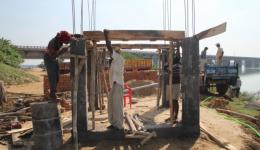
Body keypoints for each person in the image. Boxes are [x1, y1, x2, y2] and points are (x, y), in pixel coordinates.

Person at [104, 29, 124, 130]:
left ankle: (119, 125)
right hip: (114, 85)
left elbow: (109, 48)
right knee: (111, 105)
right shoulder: (113, 61)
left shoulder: (119, 58)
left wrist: (106, 37)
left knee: (117, 105)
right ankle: (113, 123)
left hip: (118, 84)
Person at [44, 31, 71, 99]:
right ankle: (52, 95)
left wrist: (75, 37)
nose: (68, 41)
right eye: (66, 40)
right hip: (49, 58)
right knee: (53, 76)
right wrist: (62, 51)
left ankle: (53, 93)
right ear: (62, 39)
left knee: (57, 76)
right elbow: (53, 56)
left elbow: (69, 37)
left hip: (54, 58)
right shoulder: (53, 43)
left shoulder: (61, 38)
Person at [165, 48, 181, 123]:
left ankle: (175, 116)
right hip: (171, 83)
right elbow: (166, 68)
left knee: (175, 100)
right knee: (172, 101)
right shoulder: (169, 63)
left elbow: (178, 55)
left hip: (176, 84)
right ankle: (172, 116)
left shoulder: (177, 63)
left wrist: (177, 47)